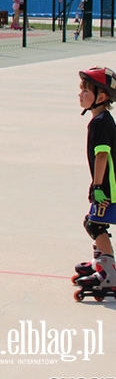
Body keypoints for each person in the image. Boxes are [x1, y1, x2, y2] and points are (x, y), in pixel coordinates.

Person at [75, 67, 116, 289]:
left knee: (94, 224)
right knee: (94, 222)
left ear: (101, 97)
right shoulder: (101, 119)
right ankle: (102, 264)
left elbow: (102, 155)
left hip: (108, 187)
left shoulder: (101, 123)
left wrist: (98, 186)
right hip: (107, 185)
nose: (80, 94)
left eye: (85, 90)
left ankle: (109, 273)